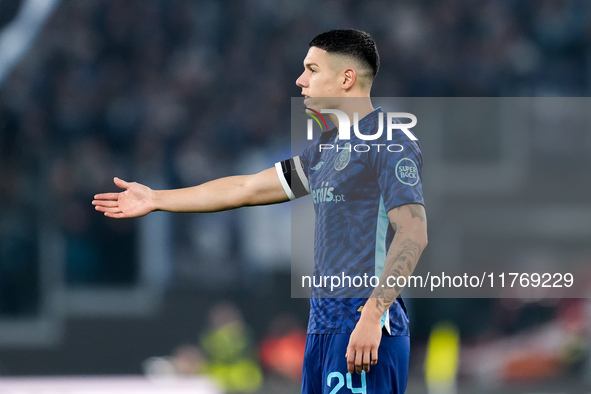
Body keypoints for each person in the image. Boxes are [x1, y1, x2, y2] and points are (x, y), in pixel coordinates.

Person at [93, 29, 427, 393]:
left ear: (346, 78)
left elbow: (413, 232)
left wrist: (373, 316)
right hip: (324, 329)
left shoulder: (388, 142)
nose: (300, 80)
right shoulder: (325, 151)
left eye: (312, 70)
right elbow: (248, 188)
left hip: (365, 328)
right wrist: (158, 198)